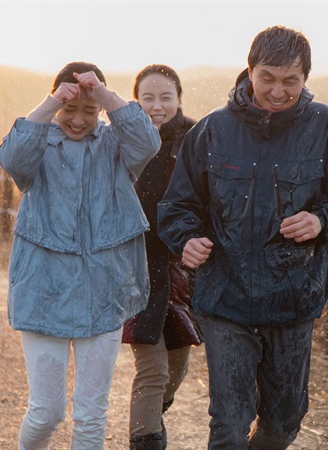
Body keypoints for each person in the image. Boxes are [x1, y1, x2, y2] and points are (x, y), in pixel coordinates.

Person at [158, 26, 328, 449]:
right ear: (250, 71)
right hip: (224, 298)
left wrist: (321, 220)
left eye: (290, 81)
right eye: (268, 78)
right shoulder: (211, 131)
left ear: (306, 78)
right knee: (229, 424)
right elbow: (176, 207)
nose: (278, 91)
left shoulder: (327, 127)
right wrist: (186, 238)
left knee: (282, 424)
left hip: (294, 299)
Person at [0, 61, 161, 449]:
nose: (78, 119)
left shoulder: (115, 145)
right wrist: (52, 102)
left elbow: (148, 141)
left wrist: (104, 94)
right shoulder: (37, 145)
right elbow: (11, 158)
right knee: (46, 410)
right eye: (70, 110)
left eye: (90, 111)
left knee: (91, 414)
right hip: (43, 292)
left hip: (102, 292)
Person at [121, 64, 198, 450]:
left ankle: (153, 413)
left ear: (179, 99)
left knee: (177, 368)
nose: (156, 105)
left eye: (165, 97)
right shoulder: (124, 141)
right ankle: (146, 436)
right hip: (137, 271)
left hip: (182, 273)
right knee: (152, 370)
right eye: (147, 97)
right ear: (135, 101)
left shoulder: (196, 139)